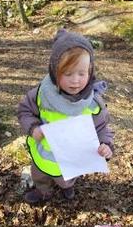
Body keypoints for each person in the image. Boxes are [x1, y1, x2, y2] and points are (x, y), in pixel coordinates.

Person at [17, 29, 112, 203]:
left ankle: (67, 187)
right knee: (40, 175)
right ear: (55, 71)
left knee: (66, 179)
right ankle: (43, 191)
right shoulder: (41, 94)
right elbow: (24, 110)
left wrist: (106, 145)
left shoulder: (93, 103)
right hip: (43, 155)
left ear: (90, 72)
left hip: (71, 160)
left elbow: (102, 127)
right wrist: (33, 128)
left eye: (81, 73)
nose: (75, 81)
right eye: (67, 74)